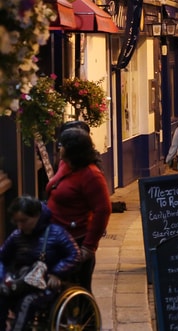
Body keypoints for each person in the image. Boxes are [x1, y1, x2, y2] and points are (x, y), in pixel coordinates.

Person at [44, 127, 111, 290]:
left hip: (76, 241)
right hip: (55, 238)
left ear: (71, 149)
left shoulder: (91, 175)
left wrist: (88, 246)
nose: (59, 148)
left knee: (77, 289)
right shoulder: (64, 165)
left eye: (62, 145)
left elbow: (103, 209)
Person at [0, 197, 80, 330]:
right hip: (20, 281)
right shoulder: (16, 236)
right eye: (17, 222)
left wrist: (56, 273)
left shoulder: (56, 233)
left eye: (24, 221)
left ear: (37, 215)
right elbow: (2, 258)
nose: (20, 226)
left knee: (27, 302)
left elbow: (74, 255)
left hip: (45, 285)